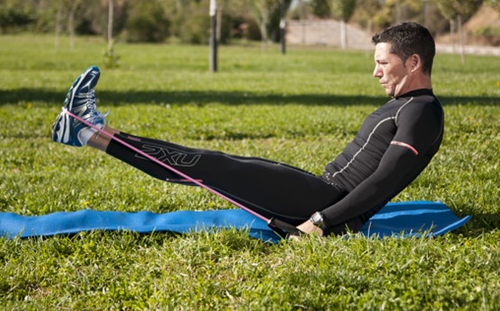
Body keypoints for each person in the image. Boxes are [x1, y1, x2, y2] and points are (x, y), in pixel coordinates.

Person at [51, 21, 444, 237]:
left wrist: (321, 222)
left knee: (212, 166)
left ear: (412, 63)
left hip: (321, 203)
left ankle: (87, 131)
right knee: (222, 166)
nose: (375, 71)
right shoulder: (407, 106)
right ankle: (88, 132)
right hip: (318, 193)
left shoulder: (421, 112)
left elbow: (384, 182)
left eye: (383, 63)